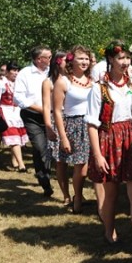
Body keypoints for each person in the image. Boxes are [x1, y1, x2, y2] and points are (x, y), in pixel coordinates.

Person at [86, 41, 132, 257]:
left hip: (131, 140)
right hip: (109, 140)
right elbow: (91, 123)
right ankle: (109, 231)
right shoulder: (99, 89)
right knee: (111, 194)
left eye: (127, 58)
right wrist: (97, 154)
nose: (125, 62)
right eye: (120, 58)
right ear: (110, 60)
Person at [53, 46, 93, 214]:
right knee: (80, 166)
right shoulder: (63, 81)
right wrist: (63, 137)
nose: (84, 62)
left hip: (92, 125)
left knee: (88, 166)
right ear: (72, 60)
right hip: (74, 126)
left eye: (87, 59)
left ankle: (80, 195)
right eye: (81, 58)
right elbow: (57, 110)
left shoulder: (92, 80)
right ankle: (77, 196)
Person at [14, 46, 54, 197]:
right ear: (39, 59)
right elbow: (18, 98)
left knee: (49, 148)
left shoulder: (52, 72)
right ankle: (44, 179)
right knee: (39, 146)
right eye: (48, 57)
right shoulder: (25, 73)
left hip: (50, 115)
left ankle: (45, 175)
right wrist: (40, 109)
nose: (51, 60)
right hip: (32, 116)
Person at [0, 62, 28, 172]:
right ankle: (21, 164)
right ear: (7, 72)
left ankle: (15, 162)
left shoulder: (18, 83)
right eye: (13, 70)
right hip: (6, 112)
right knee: (14, 137)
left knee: (17, 139)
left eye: (17, 70)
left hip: (17, 112)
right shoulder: (1, 83)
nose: (16, 73)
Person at [44, 50, 70, 205]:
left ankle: (79, 193)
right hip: (56, 119)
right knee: (61, 161)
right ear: (58, 62)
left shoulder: (72, 80)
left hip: (73, 120)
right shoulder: (48, 82)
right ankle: (66, 194)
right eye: (67, 60)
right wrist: (48, 127)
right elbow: (47, 107)